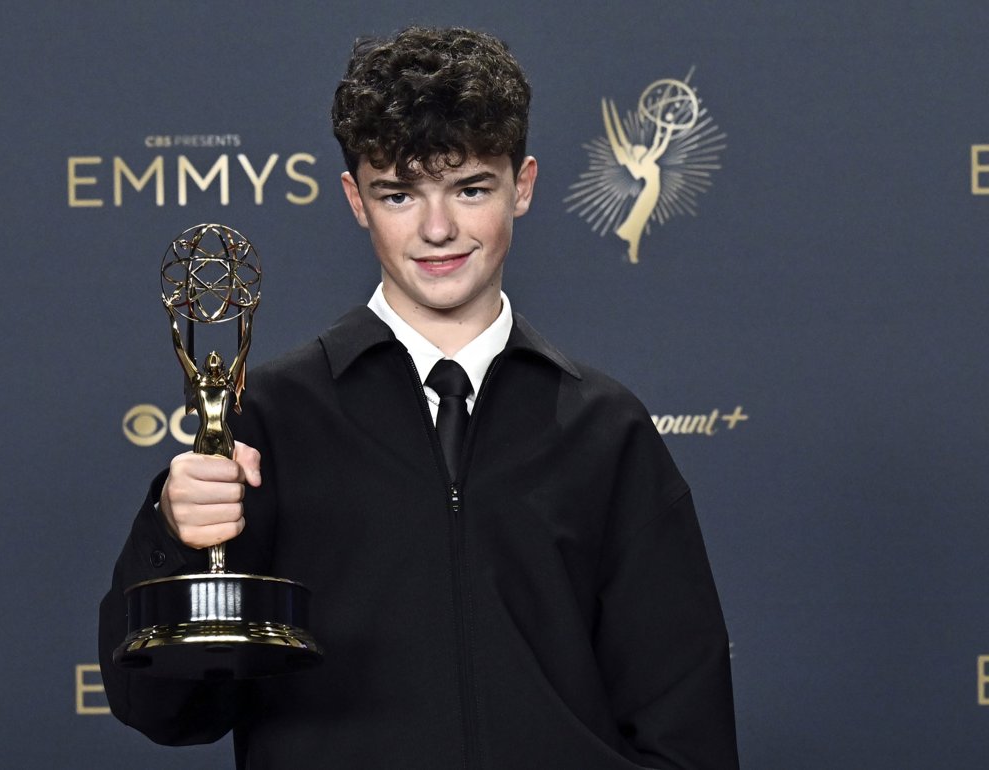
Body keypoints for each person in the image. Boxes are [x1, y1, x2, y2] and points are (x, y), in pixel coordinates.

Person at [99, 26, 740, 769]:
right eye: (399, 194)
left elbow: (685, 724)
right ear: (356, 199)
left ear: (523, 186)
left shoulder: (605, 428)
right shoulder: (270, 417)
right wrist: (173, 537)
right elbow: (164, 709)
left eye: (471, 189)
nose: (438, 230)